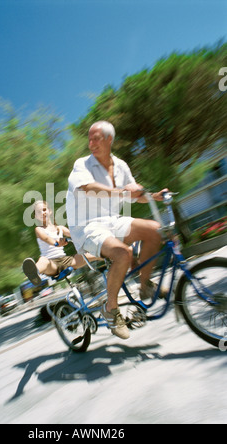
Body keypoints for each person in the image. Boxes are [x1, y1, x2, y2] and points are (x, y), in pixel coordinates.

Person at [66, 120, 168, 340]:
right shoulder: (81, 165)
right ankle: (111, 310)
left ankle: (145, 284)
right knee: (123, 253)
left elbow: (134, 194)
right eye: (89, 138)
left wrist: (153, 196)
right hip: (87, 226)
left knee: (155, 230)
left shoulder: (120, 165)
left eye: (96, 138)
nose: (91, 143)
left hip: (113, 220)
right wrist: (121, 190)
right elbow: (88, 188)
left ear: (109, 139)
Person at [22, 200, 98, 286]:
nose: (42, 213)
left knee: (95, 253)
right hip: (51, 264)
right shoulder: (39, 229)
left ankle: (111, 259)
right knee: (43, 260)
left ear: (49, 211)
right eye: (39, 212)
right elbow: (46, 238)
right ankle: (34, 273)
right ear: (36, 216)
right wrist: (56, 243)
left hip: (65, 260)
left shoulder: (60, 228)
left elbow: (75, 235)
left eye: (44, 209)